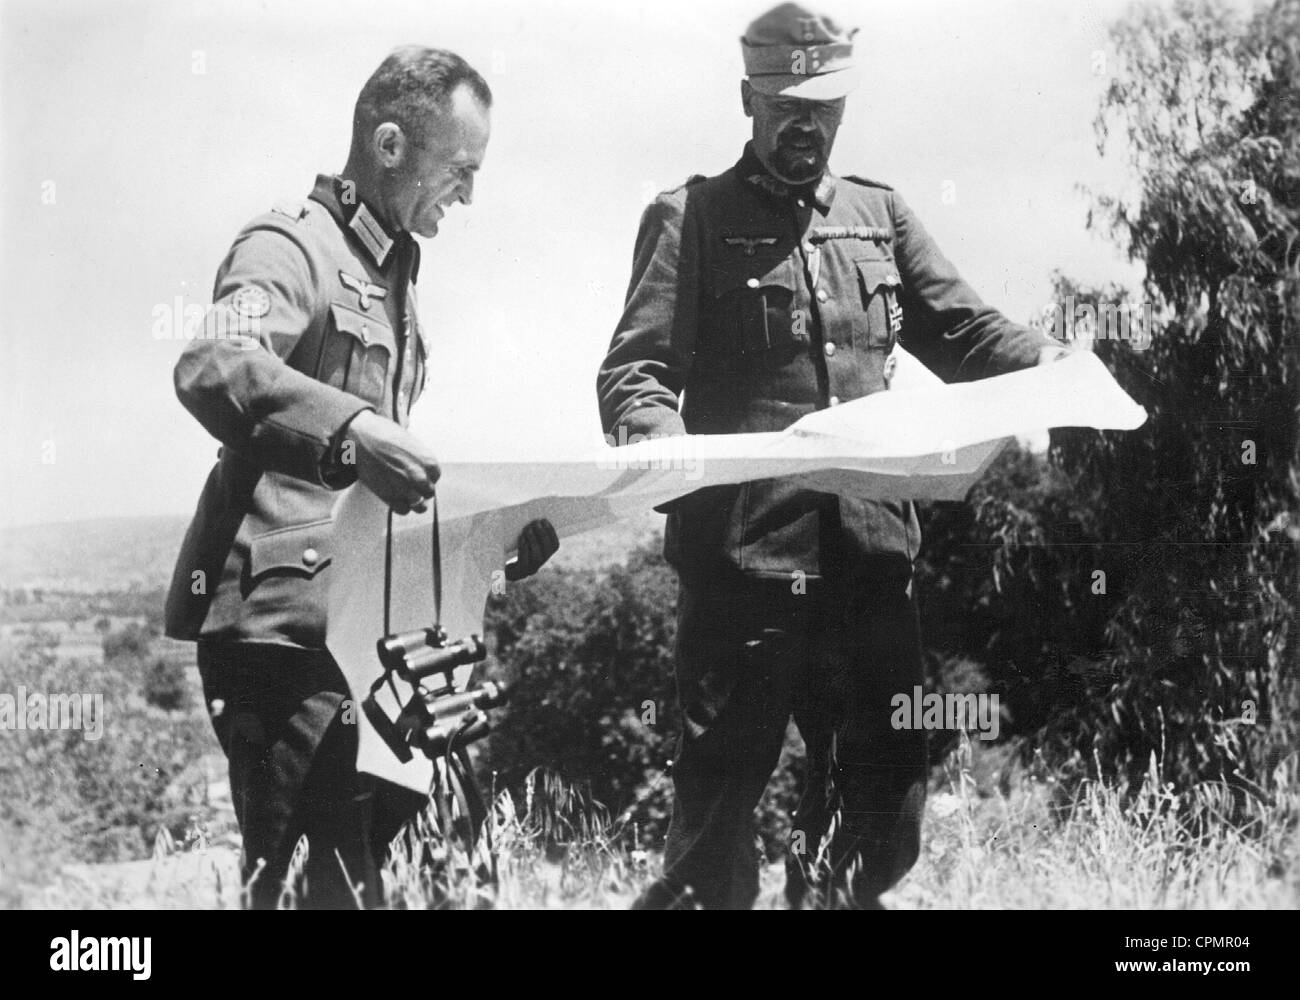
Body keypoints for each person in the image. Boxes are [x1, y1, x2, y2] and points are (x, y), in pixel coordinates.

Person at [596, 2, 1068, 909]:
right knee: (717, 819)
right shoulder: (689, 215)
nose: (808, 126)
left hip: (868, 564)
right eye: (788, 107)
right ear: (748, 98)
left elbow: (964, 330)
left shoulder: (878, 212)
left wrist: (1051, 360)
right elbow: (637, 369)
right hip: (745, 564)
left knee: (887, 790)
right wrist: (660, 443)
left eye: (826, 107)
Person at [165, 46, 558, 909]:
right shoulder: (288, 245)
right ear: (388, 145)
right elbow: (215, 363)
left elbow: (381, 485)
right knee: (313, 890)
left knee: (395, 883)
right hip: (282, 634)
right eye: (459, 169)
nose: (467, 194)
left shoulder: (394, 281)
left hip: (364, 640)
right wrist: (352, 429)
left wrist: (486, 541)